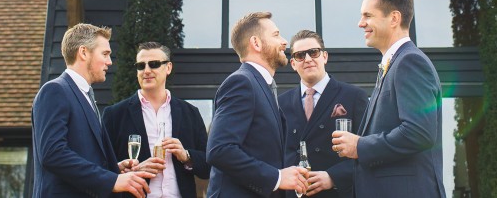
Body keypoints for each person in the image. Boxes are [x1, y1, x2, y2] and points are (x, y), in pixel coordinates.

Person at [331, 0, 446, 197]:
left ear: (394, 18)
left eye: (367, 16)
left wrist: (360, 146)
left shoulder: (409, 62)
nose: (360, 23)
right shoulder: (394, 64)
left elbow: (419, 132)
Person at [32, 22, 153, 198]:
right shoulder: (55, 91)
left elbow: (81, 155)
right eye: (105, 54)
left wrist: (112, 169)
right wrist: (110, 180)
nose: (109, 62)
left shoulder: (86, 96)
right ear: (83, 52)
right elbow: (53, 153)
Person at [206, 11, 309, 197]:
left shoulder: (261, 85)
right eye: (276, 35)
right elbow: (219, 150)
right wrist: (277, 178)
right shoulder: (241, 83)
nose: (284, 42)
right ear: (256, 43)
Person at [103, 41, 211, 198]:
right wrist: (134, 170)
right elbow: (102, 168)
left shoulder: (190, 113)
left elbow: (208, 166)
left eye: (153, 64)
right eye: (141, 66)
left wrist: (186, 156)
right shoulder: (115, 115)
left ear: (168, 68)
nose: (146, 70)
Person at [278, 30, 369, 197]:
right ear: (293, 63)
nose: (307, 59)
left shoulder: (354, 97)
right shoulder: (280, 104)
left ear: (325, 56)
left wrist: (333, 177)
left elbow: (370, 151)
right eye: (300, 55)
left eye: (313, 52)